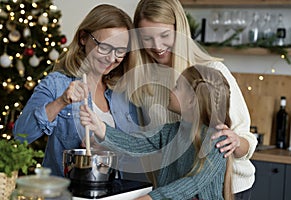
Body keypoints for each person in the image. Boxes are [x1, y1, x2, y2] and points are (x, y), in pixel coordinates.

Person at [129, 0, 258, 199]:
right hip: (174, 191)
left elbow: (247, 141)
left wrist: (236, 141)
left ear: (179, 31)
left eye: (165, 35)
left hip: (226, 189)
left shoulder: (213, 72)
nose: (157, 46)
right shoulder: (144, 81)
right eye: (147, 38)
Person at [13, 4, 139, 177]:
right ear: (83, 38)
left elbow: (138, 152)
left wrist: (110, 144)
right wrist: (61, 102)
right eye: (104, 47)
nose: (112, 58)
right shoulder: (56, 84)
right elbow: (20, 136)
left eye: (120, 51)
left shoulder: (122, 92)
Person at [80, 65, 234, 200]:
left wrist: (151, 198)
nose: (170, 90)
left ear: (191, 101)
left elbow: (193, 183)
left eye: (176, 86)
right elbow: (135, 144)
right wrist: (100, 127)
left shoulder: (217, 140)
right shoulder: (170, 131)